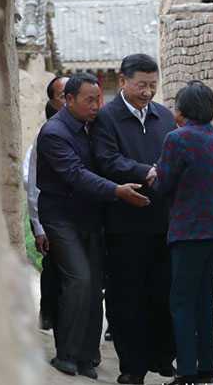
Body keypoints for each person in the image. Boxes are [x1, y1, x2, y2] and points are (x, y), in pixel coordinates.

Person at [36, 73, 151, 380]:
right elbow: (75, 174)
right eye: (88, 100)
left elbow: (106, 161)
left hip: (90, 217)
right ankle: (67, 355)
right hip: (61, 217)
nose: (95, 106)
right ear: (68, 100)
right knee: (79, 279)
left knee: (95, 284)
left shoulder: (93, 127)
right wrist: (117, 191)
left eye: (98, 99)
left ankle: (88, 357)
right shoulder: (54, 133)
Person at [91, 54, 177, 385]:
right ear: (123, 81)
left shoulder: (164, 117)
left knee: (162, 292)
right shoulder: (107, 119)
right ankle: (132, 366)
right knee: (127, 296)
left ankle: (161, 356)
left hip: (163, 222)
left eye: (153, 85)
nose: (147, 92)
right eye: (141, 85)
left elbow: (173, 156)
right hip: (124, 226)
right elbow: (107, 160)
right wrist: (147, 171)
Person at [151, 81, 213, 385]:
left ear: (183, 110)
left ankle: (187, 372)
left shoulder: (178, 139)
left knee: (181, 302)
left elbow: (162, 185)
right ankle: (207, 368)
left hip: (190, 231)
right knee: (203, 300)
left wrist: (154, 173)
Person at [25, 75, 69, 330]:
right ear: (54, 103)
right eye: (65, 94)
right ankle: (50, 313)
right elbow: (31, 181)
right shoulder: (47, 136)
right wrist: (38, 225)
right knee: (54, 267)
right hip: (53, 217)